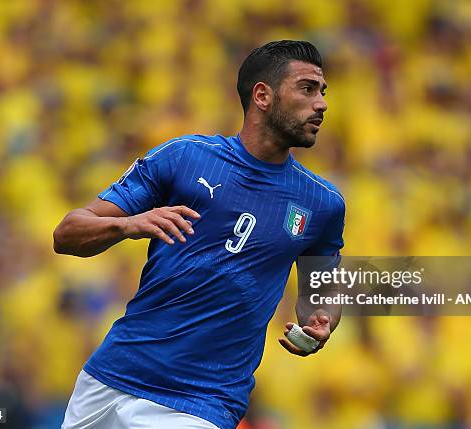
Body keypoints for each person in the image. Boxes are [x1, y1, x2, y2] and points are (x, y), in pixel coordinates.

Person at [54, 40, 345, 429]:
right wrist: (127, 224)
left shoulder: (323, 204)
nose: (321, 104)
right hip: (113, 378)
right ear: (263, 95)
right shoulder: (184, 157)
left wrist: (321, 320)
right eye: (308, 89)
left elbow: (321, 293)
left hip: (203, 402)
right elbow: (67, 233)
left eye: (322, 92)